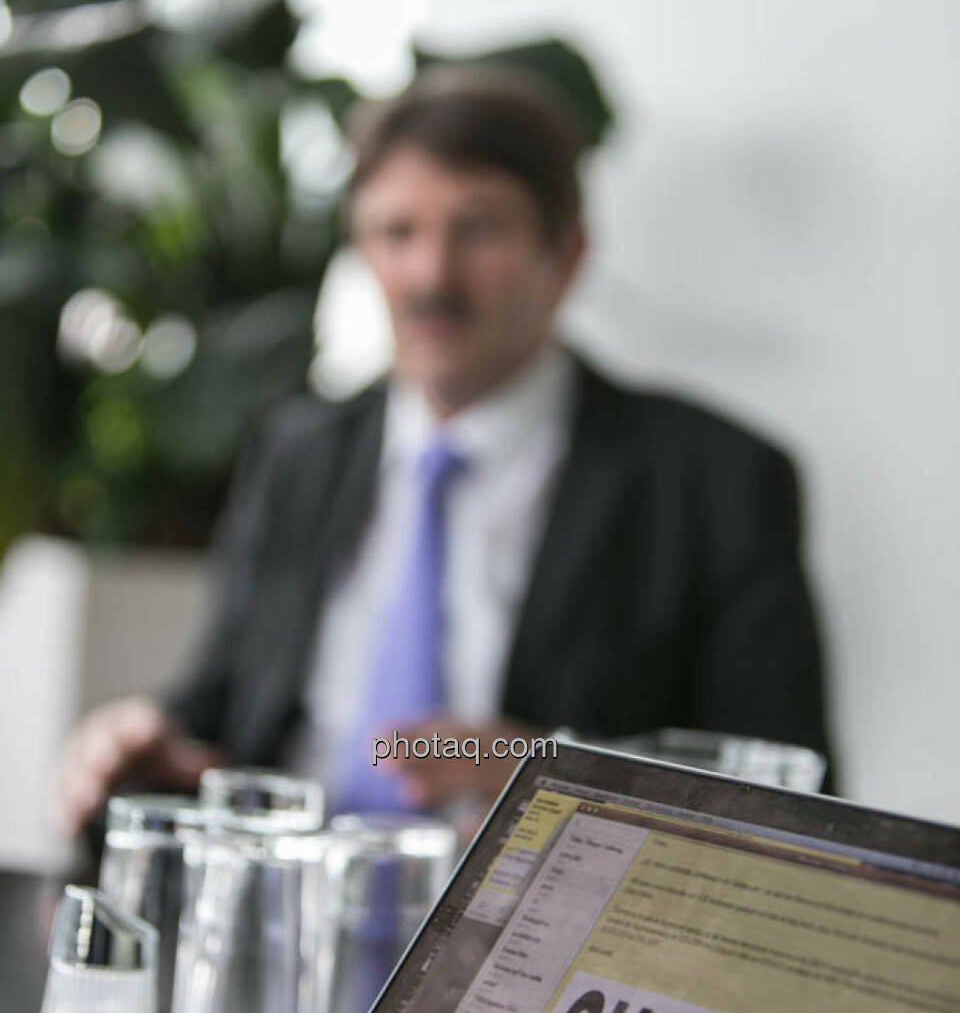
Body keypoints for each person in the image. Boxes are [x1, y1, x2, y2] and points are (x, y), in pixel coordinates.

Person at [57, 66, 832, 835]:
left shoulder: (715, 482)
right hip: (293, 887)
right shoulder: (296, 452)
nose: (432, 276)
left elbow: (792, 798)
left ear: (565, 256)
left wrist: (562, 776)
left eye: (478, 230)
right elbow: (220, 708)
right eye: (398, 233)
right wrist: (142, 746)